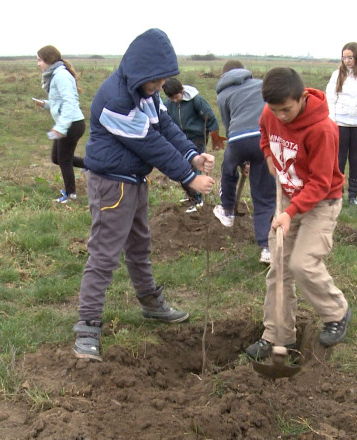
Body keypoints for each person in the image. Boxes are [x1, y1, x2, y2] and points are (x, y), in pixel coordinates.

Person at [73, 29, 216, 361]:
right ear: (141, 72)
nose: (159, 87)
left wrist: (192, 155)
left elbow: (165, 128)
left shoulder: (146, 92)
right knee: (105, 254)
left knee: (140, 245)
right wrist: (190, 178)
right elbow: (150, 145)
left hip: (134, 181)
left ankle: (151, 304)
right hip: (112, 185)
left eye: (163, 80)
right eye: (156, 81)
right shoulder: (117, 100)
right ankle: (88, 327)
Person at [245, 67, 351, 360]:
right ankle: (278, 336)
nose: (280, 116)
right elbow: (265, 135)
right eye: (275, 110)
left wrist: (291, 212)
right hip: (289, 197)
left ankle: (336, 311)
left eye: (287, 110)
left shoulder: (323, 130)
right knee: (279, 267)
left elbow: (321, 182)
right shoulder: (271, 114)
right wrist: (268, 155)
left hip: (321, 203)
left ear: (302, 98)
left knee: (303, 263)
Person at [213, 60, 276, 264]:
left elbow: (229, 125)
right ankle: (267, 247)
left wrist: (240, 162)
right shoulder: (259, 84)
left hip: (238, 139)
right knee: (264, 195)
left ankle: (228, 210)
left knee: (227, 170)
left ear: (224, 76)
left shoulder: (223, 94)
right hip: (264, 138)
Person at [325, 42, 357, 206]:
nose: (347, 61)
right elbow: (330, 99)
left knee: (355, 158)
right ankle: (337, 192)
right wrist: (332, 123)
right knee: (339, 158)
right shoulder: (337, 75)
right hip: (340, 123)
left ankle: (353, 195)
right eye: (344, 58)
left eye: (350, 57)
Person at [162, 78, 225, 213]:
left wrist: (215, 138)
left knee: (191, 167)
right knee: (181, 166)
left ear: (182, 91)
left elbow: (211, 117)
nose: (174, 100)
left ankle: (198, 200)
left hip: (197, 138)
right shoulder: (167, 104)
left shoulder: (196, 100)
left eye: (176, 96)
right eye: (171, 98)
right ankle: (191, 196)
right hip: (179, 139)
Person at [35, 45, 86, 203]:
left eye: (39, 60)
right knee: (57, 158)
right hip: (68, 123)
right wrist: (46, 104)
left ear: (48, 60)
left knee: (64, 159)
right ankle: (92, 165)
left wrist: (61, 128)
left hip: (72, 124)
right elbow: (61, 102)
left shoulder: (60, 76)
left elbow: (70, 103)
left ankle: (71, 195)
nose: (38, 64)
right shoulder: (56, 74)